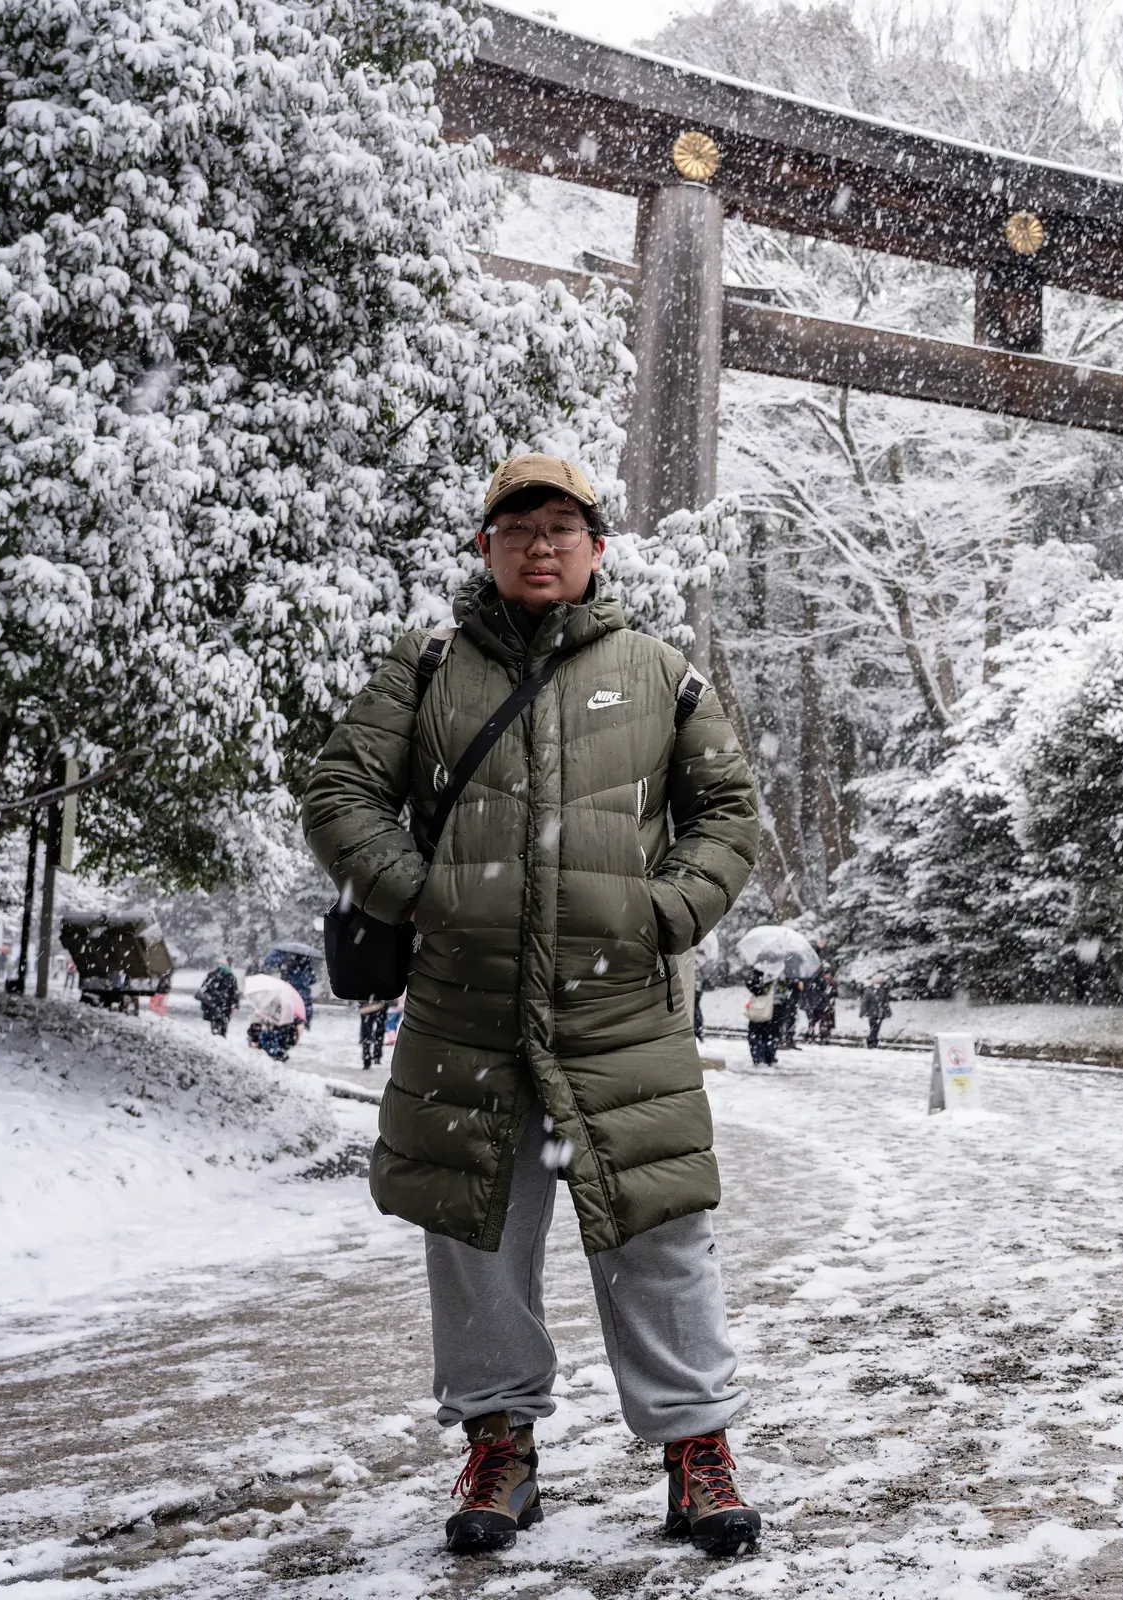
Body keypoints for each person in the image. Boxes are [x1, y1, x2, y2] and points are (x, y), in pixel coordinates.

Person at [301, 453, 765, 1560]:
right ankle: (500, 1442)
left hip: (621, 1019)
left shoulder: (661, 672)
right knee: (475, 1234)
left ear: (598, 549)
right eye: (518, 528)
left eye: (562, 526)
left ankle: (697, 1450)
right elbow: (341, 791)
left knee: (659, 1232)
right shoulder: (424, 669)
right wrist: (423, 896)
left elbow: (728, 810)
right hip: (464, 1014)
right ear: (486, 549)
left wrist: (663, 910)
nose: (541, 544)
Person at [744, 975, 780, 1064]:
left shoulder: (762, 969)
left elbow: (754, 988)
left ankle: (762, 1057)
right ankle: (765, 1057)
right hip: (769, 1008)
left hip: (768, 1009)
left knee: (759, 1034)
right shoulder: (780, 970)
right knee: (769, 1034)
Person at [197, 962, 239, 1037]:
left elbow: (204, 989)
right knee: (222, 1025)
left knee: (216, 1024)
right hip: (223, 1005)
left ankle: (217, 1035)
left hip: (215, 1005)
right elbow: (235, 992)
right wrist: (235, 1003)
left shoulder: (213, 975)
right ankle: (220, 1037)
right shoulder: (230, 976)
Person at [358, 996, 391, 1071]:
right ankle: (375, 1056)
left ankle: (368, 1058)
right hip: (378, 1004)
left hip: (367, 1005)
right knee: (378, 1031)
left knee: (367, 1032)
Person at [860, 976, 893, 1049]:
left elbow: (885, 1003)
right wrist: (863, 1012)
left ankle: (873, 1041)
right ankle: (872, 1041)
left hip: (880, 1013)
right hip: (872, 1013)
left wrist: (888, 1012)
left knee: (877, 1028)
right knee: (873, 1028)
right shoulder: (869, 991)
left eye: (879, 982)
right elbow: (865, 1003)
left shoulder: (882, 991)